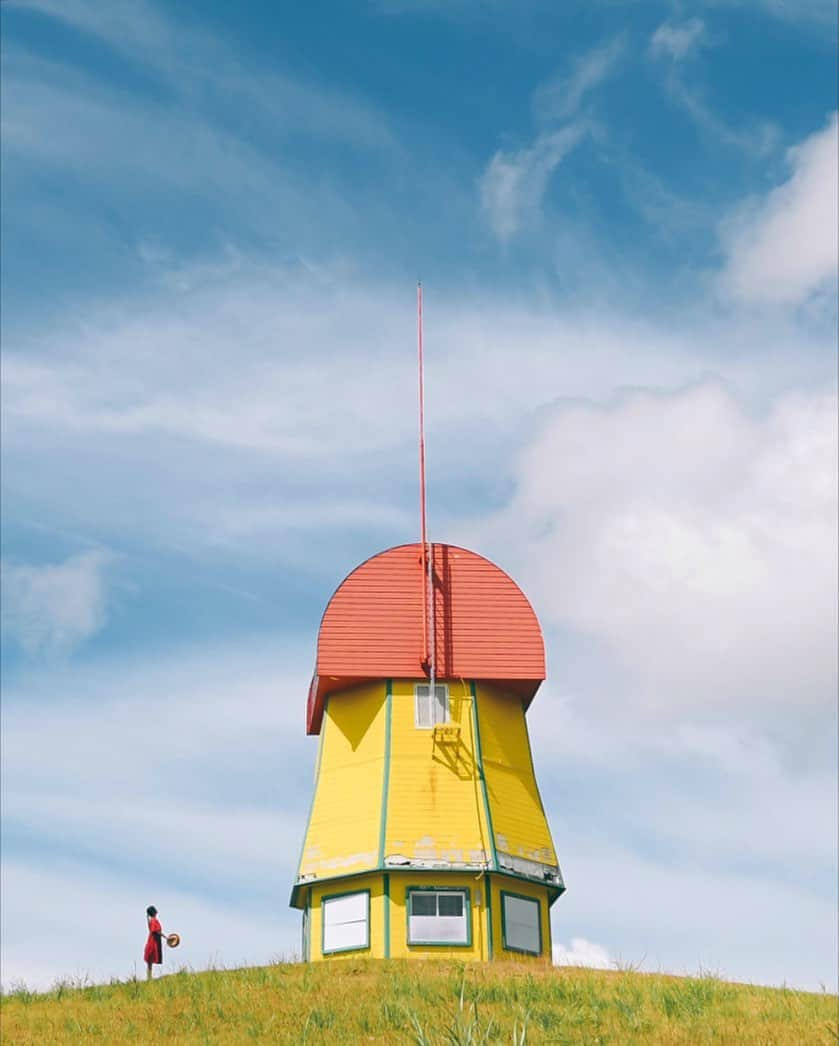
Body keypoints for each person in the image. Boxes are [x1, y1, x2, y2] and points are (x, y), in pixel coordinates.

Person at [144, 905, 165, 980]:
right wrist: (166, 937)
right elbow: (157, 931)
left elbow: (152, 930)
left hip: (152, 940)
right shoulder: (154, 921)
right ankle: (149, 978)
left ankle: (149, 977)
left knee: (149, 961)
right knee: (150, 959)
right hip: (153, 941)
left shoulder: (151, 921)